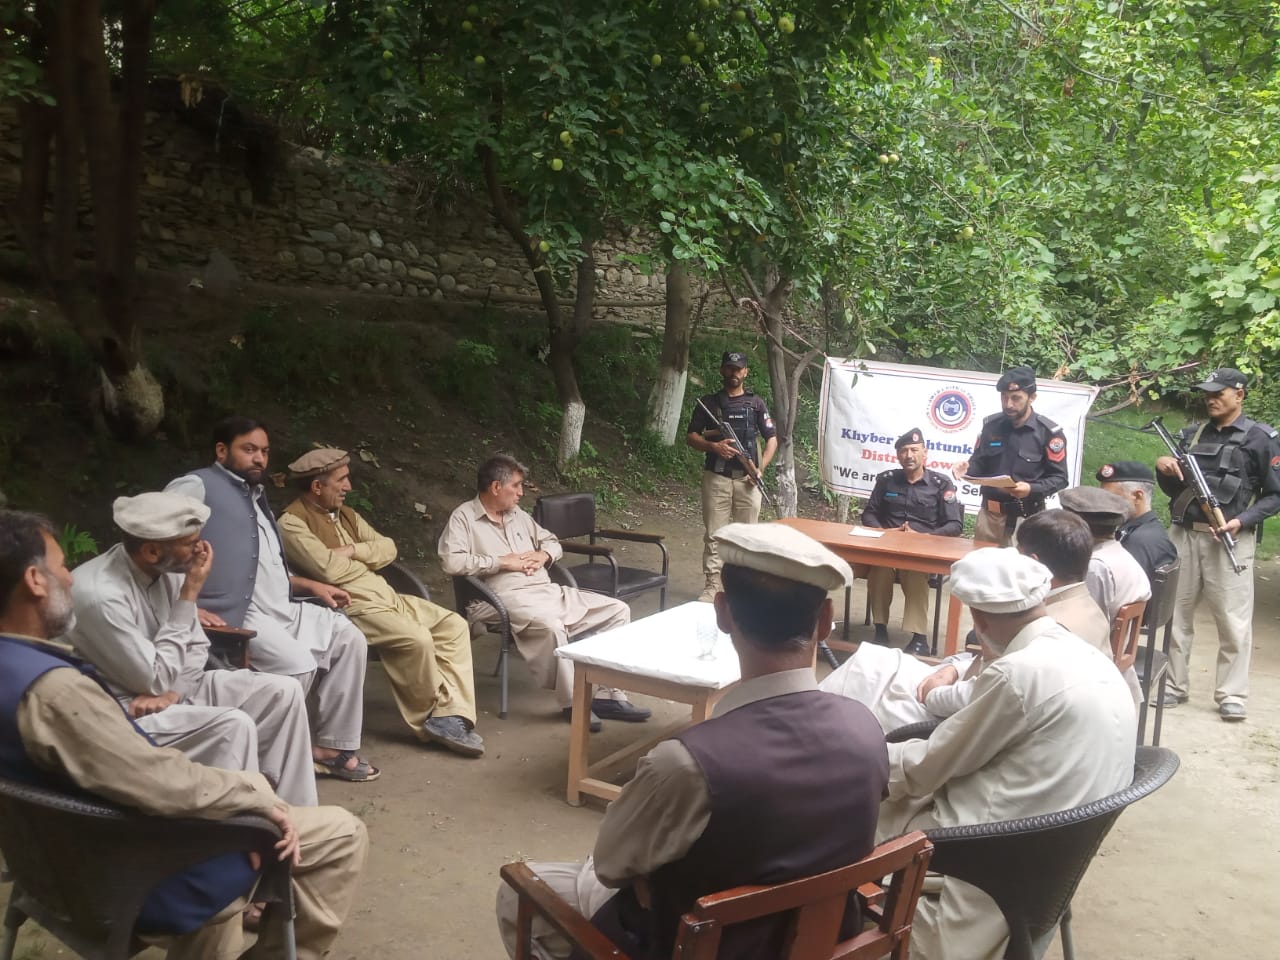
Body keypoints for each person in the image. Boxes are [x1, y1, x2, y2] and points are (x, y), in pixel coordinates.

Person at [495, 523, 887, 960]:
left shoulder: (687, 764)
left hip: (694, 945)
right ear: (826, 621)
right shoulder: (866, 729)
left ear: (722, 613)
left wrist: (647, 878)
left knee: (520, 892)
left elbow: (609, 866)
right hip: (822, 938)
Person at [0, 509, 368, 960]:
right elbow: (156, 780)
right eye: (61, 567)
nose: (70, 578)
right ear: (35, 581)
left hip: (59, 867)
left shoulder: (17, 670)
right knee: (343, 832)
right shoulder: (53, 691)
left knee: (261, 720)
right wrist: (255, 796)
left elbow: (179, 673)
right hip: (131, 874)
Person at [877, 547, 1136, 960]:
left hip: (987, 859)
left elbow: (930, 765)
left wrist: (860, 756)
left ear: (978, 620)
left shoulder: (1018, 673)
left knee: (853, 808)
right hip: (1054, 858)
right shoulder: (1086, 655)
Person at [67, 492, 318, 806]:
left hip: (171, 692)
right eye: (191, 543)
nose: (201, 549)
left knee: (284, 691)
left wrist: (175, 693)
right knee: (232, 724)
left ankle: (296, 811)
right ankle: (243, 824)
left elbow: (197, 646)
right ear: (152, 551)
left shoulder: (166, 570)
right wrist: (189, 596)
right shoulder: (100, 596)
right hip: (124, 713)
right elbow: (154, 679)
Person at [166, 416, 380, 781]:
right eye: (249, 449)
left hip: (284, 605)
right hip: (238, 610)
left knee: (350, 639)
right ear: (222, 450)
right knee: (297, 664)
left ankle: (332, 748)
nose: (259, 459)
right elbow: (158, 542)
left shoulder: (255, 494)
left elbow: (265, 567)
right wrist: (186, 605)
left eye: (264, 451)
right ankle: (269, 758)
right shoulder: (197, 485)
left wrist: (310, 586)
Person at [820, 509, 1108, 733]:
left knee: (864, 682)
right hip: (968, 689)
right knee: (874, 662)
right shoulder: (1078, 604)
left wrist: (935, 693)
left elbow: (992, 695)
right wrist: (953, 669)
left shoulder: (1057, 627)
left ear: (1033, 564)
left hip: (966, 716)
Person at [278, 447, 483, 758]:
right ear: (317, 486)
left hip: (386, 594)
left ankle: (450, 715)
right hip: (351, 604)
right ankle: (430, 719)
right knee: (416, 639)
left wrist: (352, 551)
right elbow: (328, 570)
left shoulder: (346, 514)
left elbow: (389, 548)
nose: (348, 487)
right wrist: (365, 556)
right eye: (341, 480)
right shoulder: (292, 523)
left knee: (453, 625)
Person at [438, 454, 650, 728]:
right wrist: (501, 562)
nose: (521, 492)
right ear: (496, 487)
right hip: (499, 598)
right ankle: (573, 703)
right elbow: (451, 561)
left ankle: (607, 695)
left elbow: (552, 541)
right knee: (552, 627)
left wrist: (544, 555)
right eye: (516, 485)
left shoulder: (518, 515)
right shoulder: (464, 518)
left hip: (545, 591)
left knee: (617, 610)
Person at [1153, 368, 1280, 721]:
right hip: (1184, 534)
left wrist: (1244, 521)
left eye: (1218, 393)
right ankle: (1173, 685)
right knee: (1175, 615)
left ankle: (1231, 694)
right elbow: (1176, 490)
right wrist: (1164, 469)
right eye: (1207, 393)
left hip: (1230, 539)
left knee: (1232, 621)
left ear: (1239, 395)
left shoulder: (1261, 438)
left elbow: (1275, 495)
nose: (1210, 399)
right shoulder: (1191, 435)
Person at [685, 349, 778, 602]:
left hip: (748, 481)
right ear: (722, 370)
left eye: (738, 369)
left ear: (745, 372)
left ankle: (744, 589)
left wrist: (759, 468)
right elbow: (691, 436)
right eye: (729, 368)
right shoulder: (710, 403)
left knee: (747, 537)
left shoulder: (756, 404)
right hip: (717, 477)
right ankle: (713, 586)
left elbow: (771, 439)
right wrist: (713, 446)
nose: (733, 373)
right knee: (715, 535)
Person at [861, 427, 963, 656]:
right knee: (879, 570)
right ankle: (880, 630)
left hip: (921, 553)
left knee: (917, 574)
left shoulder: (941, 484)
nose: (909, 455)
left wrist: (925, 537)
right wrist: (885, 532)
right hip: (888, 549)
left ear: (925, 453)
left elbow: (955, 525)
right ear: (898, 455)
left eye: (914, 450)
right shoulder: (887, 480)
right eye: (904, 451)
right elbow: (869, 514)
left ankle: (919, 638)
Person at [951, 365, 1069, 546]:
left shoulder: (1048, 433)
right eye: (1004, 397)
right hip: (989, 518)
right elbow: (979, 463)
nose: (1008, 404)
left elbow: (1060, 478)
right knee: (982, 563)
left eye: (1016, 398)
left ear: (1032, 397)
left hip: (1027, 519)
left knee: (1022, 565)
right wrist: (967, 468)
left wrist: (1030, 489)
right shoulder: (991, 426)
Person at [1059, 486, 1152, 623]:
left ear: (1077, 526)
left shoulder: (1095, 567)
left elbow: (1084, 621)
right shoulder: (1120, 553)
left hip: (1097, 635)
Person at [1097, 461, 1178, 583]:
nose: (1104, 503)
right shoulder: (1149, 531)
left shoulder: (1139, 542)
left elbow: (1121, 589)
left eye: (1111, 498)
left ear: (1137, 496)